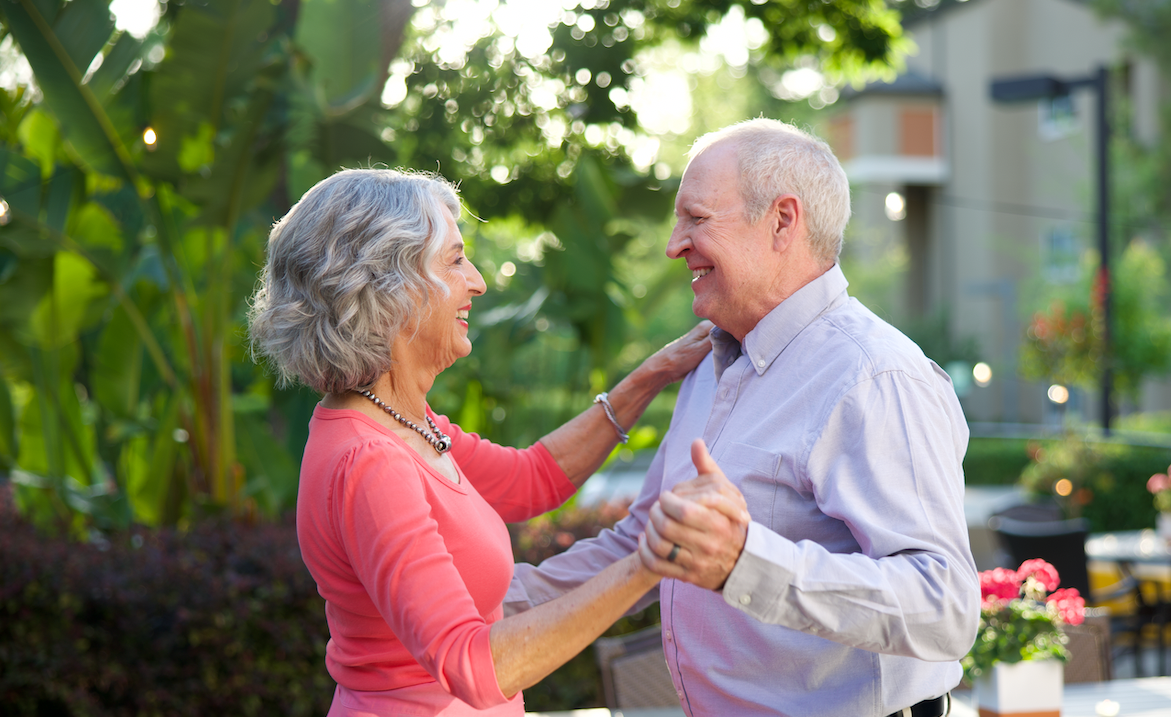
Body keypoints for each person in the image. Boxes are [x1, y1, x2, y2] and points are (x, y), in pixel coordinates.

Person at [505, 119, 978, 717]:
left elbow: (945, 607)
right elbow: (647, 542)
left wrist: (744, 562)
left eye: (696, 219)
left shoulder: (874, 376)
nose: (675, 245)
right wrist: (483, 606)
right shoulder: (709, 363)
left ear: (783, 220)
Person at [246, 168, 724, 716]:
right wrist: (654, 560)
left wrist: (653, 373)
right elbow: (473, 667)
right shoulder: (371, 461)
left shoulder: (404, 422)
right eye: (454, 260)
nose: (478, 281)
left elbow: (532, 479)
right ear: (389, 289)